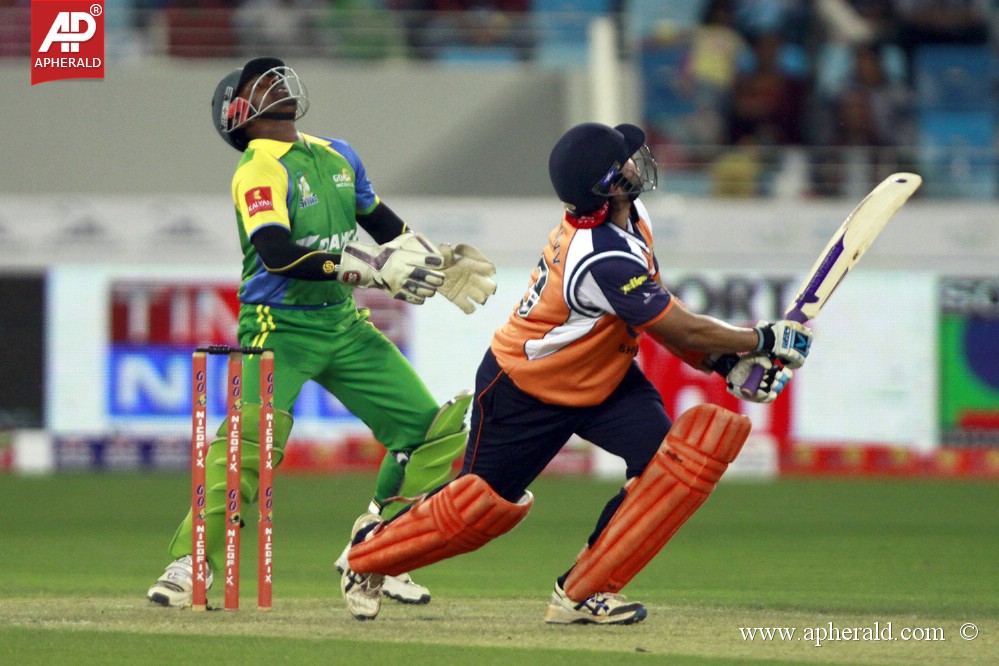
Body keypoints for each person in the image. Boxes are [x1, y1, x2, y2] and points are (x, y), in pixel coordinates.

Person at [337, 122, 813, 624]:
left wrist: (722, 363)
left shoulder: (633, 219)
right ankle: (369, 555)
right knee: (477, 509)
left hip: (604, 380)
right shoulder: (601, 256)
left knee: (666, 468)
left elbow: (659, 315)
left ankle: (583, 592)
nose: (637, 161)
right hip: (526, 388)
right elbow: (683, 328)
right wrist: (760, 340)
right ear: (606, 187)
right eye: (624, 161)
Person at [146, 56, 497, 608]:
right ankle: (190, 562)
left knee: (431, 433)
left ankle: (381, 549)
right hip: (276, 326)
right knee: (249, 445)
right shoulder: (257, 168)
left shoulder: (337, 153)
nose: (278, 81)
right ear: (237, 113)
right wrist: (367, 268)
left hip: (341, 320)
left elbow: (381, 221)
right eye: (260, 82)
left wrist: (435, 255)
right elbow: (277, 254)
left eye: (278, 74)